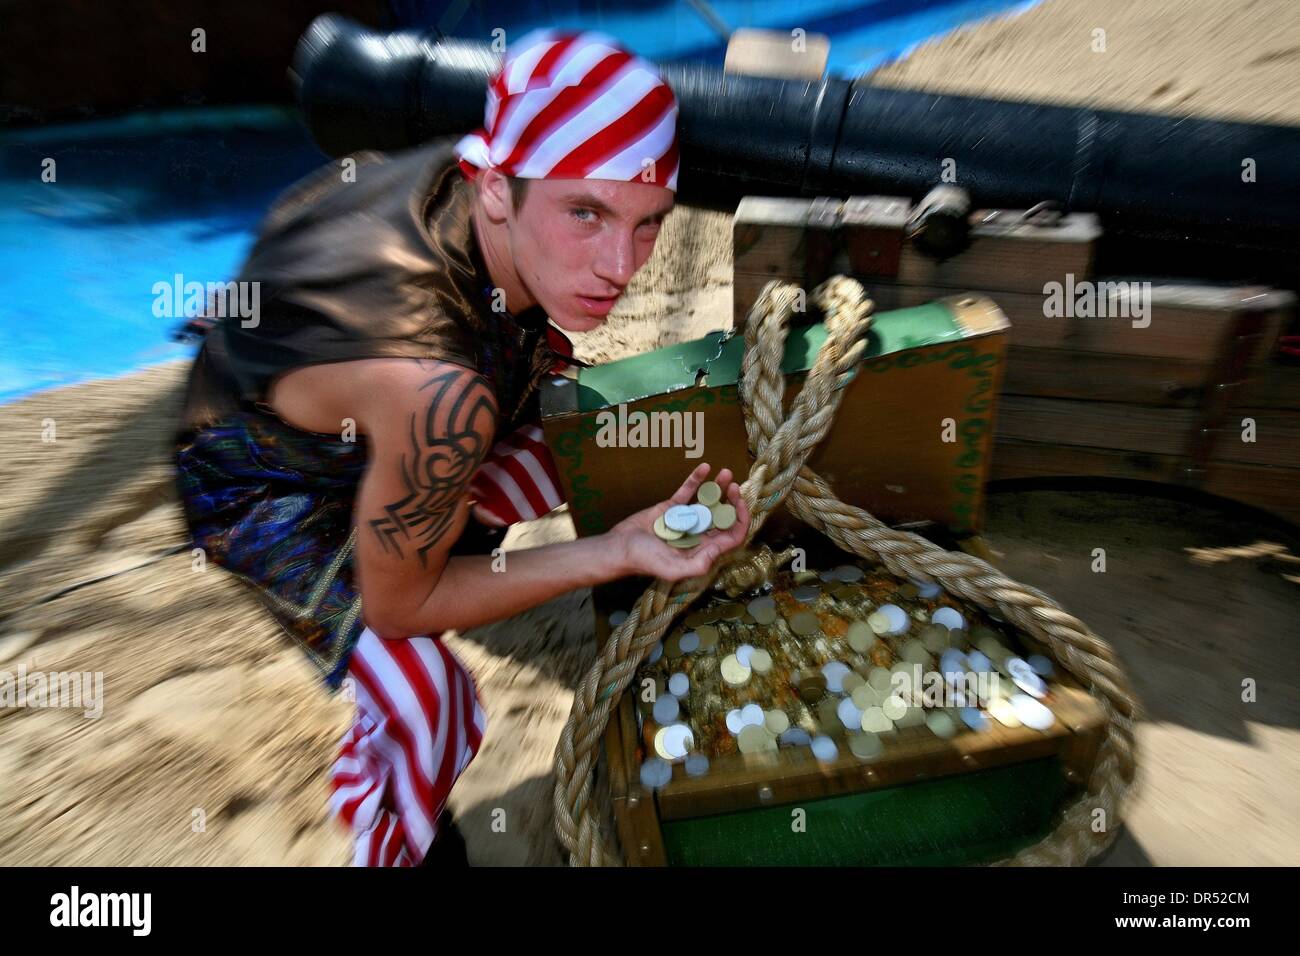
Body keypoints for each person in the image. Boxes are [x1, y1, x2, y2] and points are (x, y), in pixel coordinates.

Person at [173, 28, 751, 867]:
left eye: (647, 223)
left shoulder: (481, 159)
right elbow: (400, 607)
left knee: (569, 426)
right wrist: (611, 552)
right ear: (493, 191)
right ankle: (399, 844)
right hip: (262, 481)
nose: (621, 264)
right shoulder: (439, 391)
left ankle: (433, 530)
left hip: (362, 397)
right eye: (584, 212)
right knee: (427, 698)